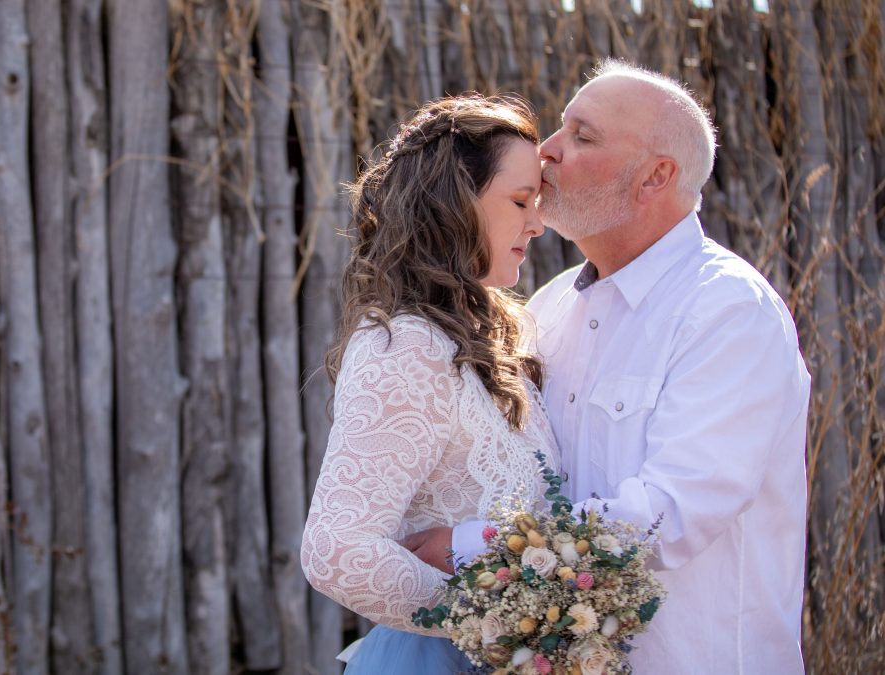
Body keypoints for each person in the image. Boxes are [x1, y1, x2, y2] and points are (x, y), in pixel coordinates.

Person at [410, 61, 811, 673]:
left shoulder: (728, 311)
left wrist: (467, 548)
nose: (546, 151)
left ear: (655, 177)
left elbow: (671, 512)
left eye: (582, 135)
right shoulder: (550, 307)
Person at [299, 94, 560, 674]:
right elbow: (337, 553)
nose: (537, 223)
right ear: (453, 204)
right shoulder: (407, 346)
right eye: (520, 200)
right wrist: (503, 618)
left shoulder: (499, 331)